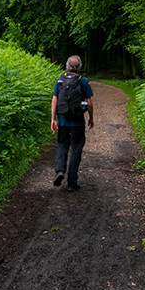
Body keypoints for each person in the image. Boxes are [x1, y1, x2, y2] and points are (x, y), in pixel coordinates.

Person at [50, 55, 94, 192]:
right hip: (77, 123)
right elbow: (89, 102)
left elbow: (54, 100)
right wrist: (91, 117)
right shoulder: (84, 81)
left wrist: (53, 119)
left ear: (67, 66)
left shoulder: (60, 80)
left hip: (63, 121)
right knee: (76, 149)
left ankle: (60, 170)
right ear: (79, 67)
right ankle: (72, 182)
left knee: (63, 145)